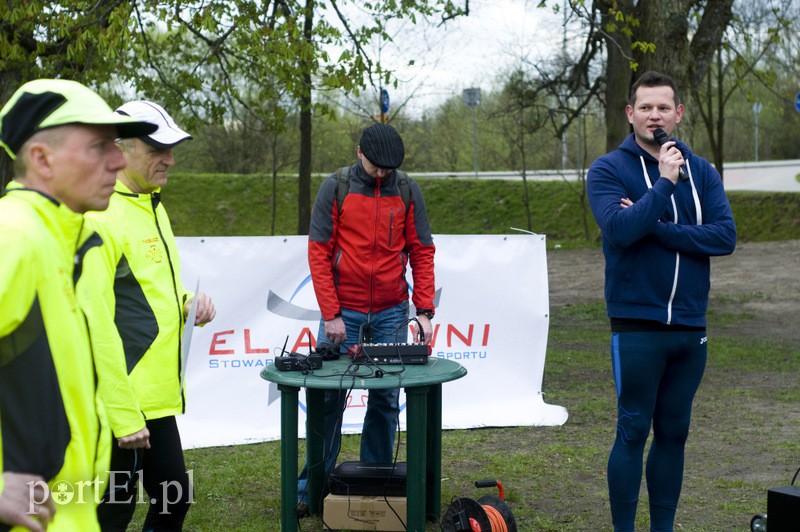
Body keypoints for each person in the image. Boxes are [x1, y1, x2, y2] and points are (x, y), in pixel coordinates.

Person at [0, 78, 157, 530]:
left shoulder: (64, 240)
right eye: (98, 147)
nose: (118, 160)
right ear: (41, 159)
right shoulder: (14, 236)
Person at [586, 70, 737, 532]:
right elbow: (620, 230)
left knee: (674, 433)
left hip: (690, 326)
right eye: (646, 107)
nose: (655, 115)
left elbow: (724, 236)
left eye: (664, 107)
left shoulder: (702, 171)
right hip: (637, 325)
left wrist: (656, 228)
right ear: (630, 113)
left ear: (678, 113)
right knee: (633, 431)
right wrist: (664, 184)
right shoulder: (608, 169)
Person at [81, 101, 216, 531]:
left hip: (154, 401)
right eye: (158, 149)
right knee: (109, 516)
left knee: (175, 498)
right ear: (119, 150)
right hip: (119, 406)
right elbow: (93, 321)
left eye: (171, 148)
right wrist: (122, 416)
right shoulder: (100, 215)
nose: (170, 159)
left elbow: (145, 288)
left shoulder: (151, 203)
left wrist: (188, 302)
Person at [298, 123, 436, 513]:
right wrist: (332, 314)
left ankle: (374, 486)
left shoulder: (407, 189)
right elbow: (319, 252)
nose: (382, 173)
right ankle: (311, 489)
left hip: (392, 311)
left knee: (385, 400)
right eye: (376, 166)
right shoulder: (335, 187)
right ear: (359, 152)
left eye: (388, 168)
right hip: (345, 312)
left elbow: (422, 250)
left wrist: (424, 310)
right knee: (328, 400)